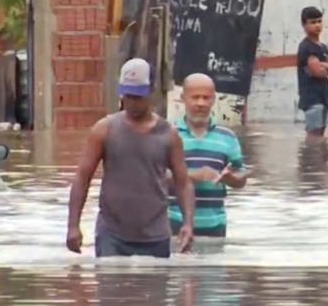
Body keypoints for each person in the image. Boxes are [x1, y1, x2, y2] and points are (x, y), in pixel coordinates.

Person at [67, 58, 195, 258]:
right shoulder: (104, 129)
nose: (132, 102)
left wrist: (188, 223)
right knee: (111, 287)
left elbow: (183, 182)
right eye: (128, 96)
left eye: (138, 96)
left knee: (154, 288)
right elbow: (83, 178)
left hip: (155, 235)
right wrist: (73, 226)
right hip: (112, 235)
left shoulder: (168, 134)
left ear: (150, 91)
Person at [169, 73, 250, 239]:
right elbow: (154, 175)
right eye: (195, 97)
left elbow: (241, 177)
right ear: (183, 98)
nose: (201, 103)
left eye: (206, 98)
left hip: (215, 225)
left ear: (214, 99)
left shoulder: (228, 137)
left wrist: (230, 178)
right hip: (173, 223)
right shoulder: (168, 133)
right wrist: (194, 175)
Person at [297, 6, 328, 138]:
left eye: (319, 21)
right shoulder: (306, 46)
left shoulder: (322, 47)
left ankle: (319, 158)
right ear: (304, 24)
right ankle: (311, 158)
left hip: (324, 95)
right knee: (313, 134)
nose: (317, 25)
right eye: (313, 22)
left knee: (321, 134)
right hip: (311, 96)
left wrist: (322, 65)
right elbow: (318, 72)